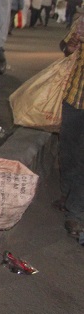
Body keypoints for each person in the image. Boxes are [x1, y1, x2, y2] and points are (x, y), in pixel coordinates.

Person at [58, 15, 84, 240]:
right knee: (68, 151)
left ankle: (75, 211)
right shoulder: (82, 19)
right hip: (74, 98)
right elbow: (65, 46)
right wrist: (71, 46)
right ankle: (68, 195)